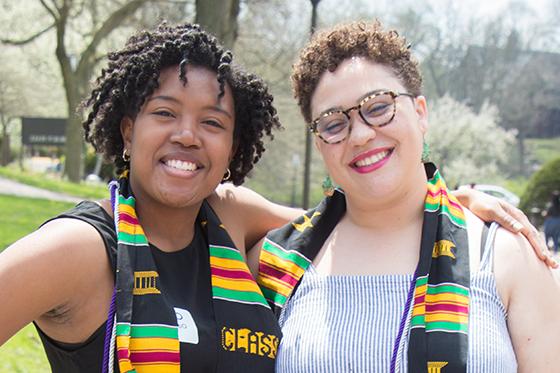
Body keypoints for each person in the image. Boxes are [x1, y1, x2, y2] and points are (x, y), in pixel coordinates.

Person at [0, 21, 552, 373]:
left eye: (212, 122)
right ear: (126, 130)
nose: (187, 136)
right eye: (164, 113)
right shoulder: (82, 247)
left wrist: (449, 203)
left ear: (234, 145)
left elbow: (361, 215)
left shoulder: (231, 219)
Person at [253, 21, 560, 372]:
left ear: (420, 113)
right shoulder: (275, 264)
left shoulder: (503, 255)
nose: (361, 135)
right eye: (333, 123)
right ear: (319, 144)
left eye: (379, 106)